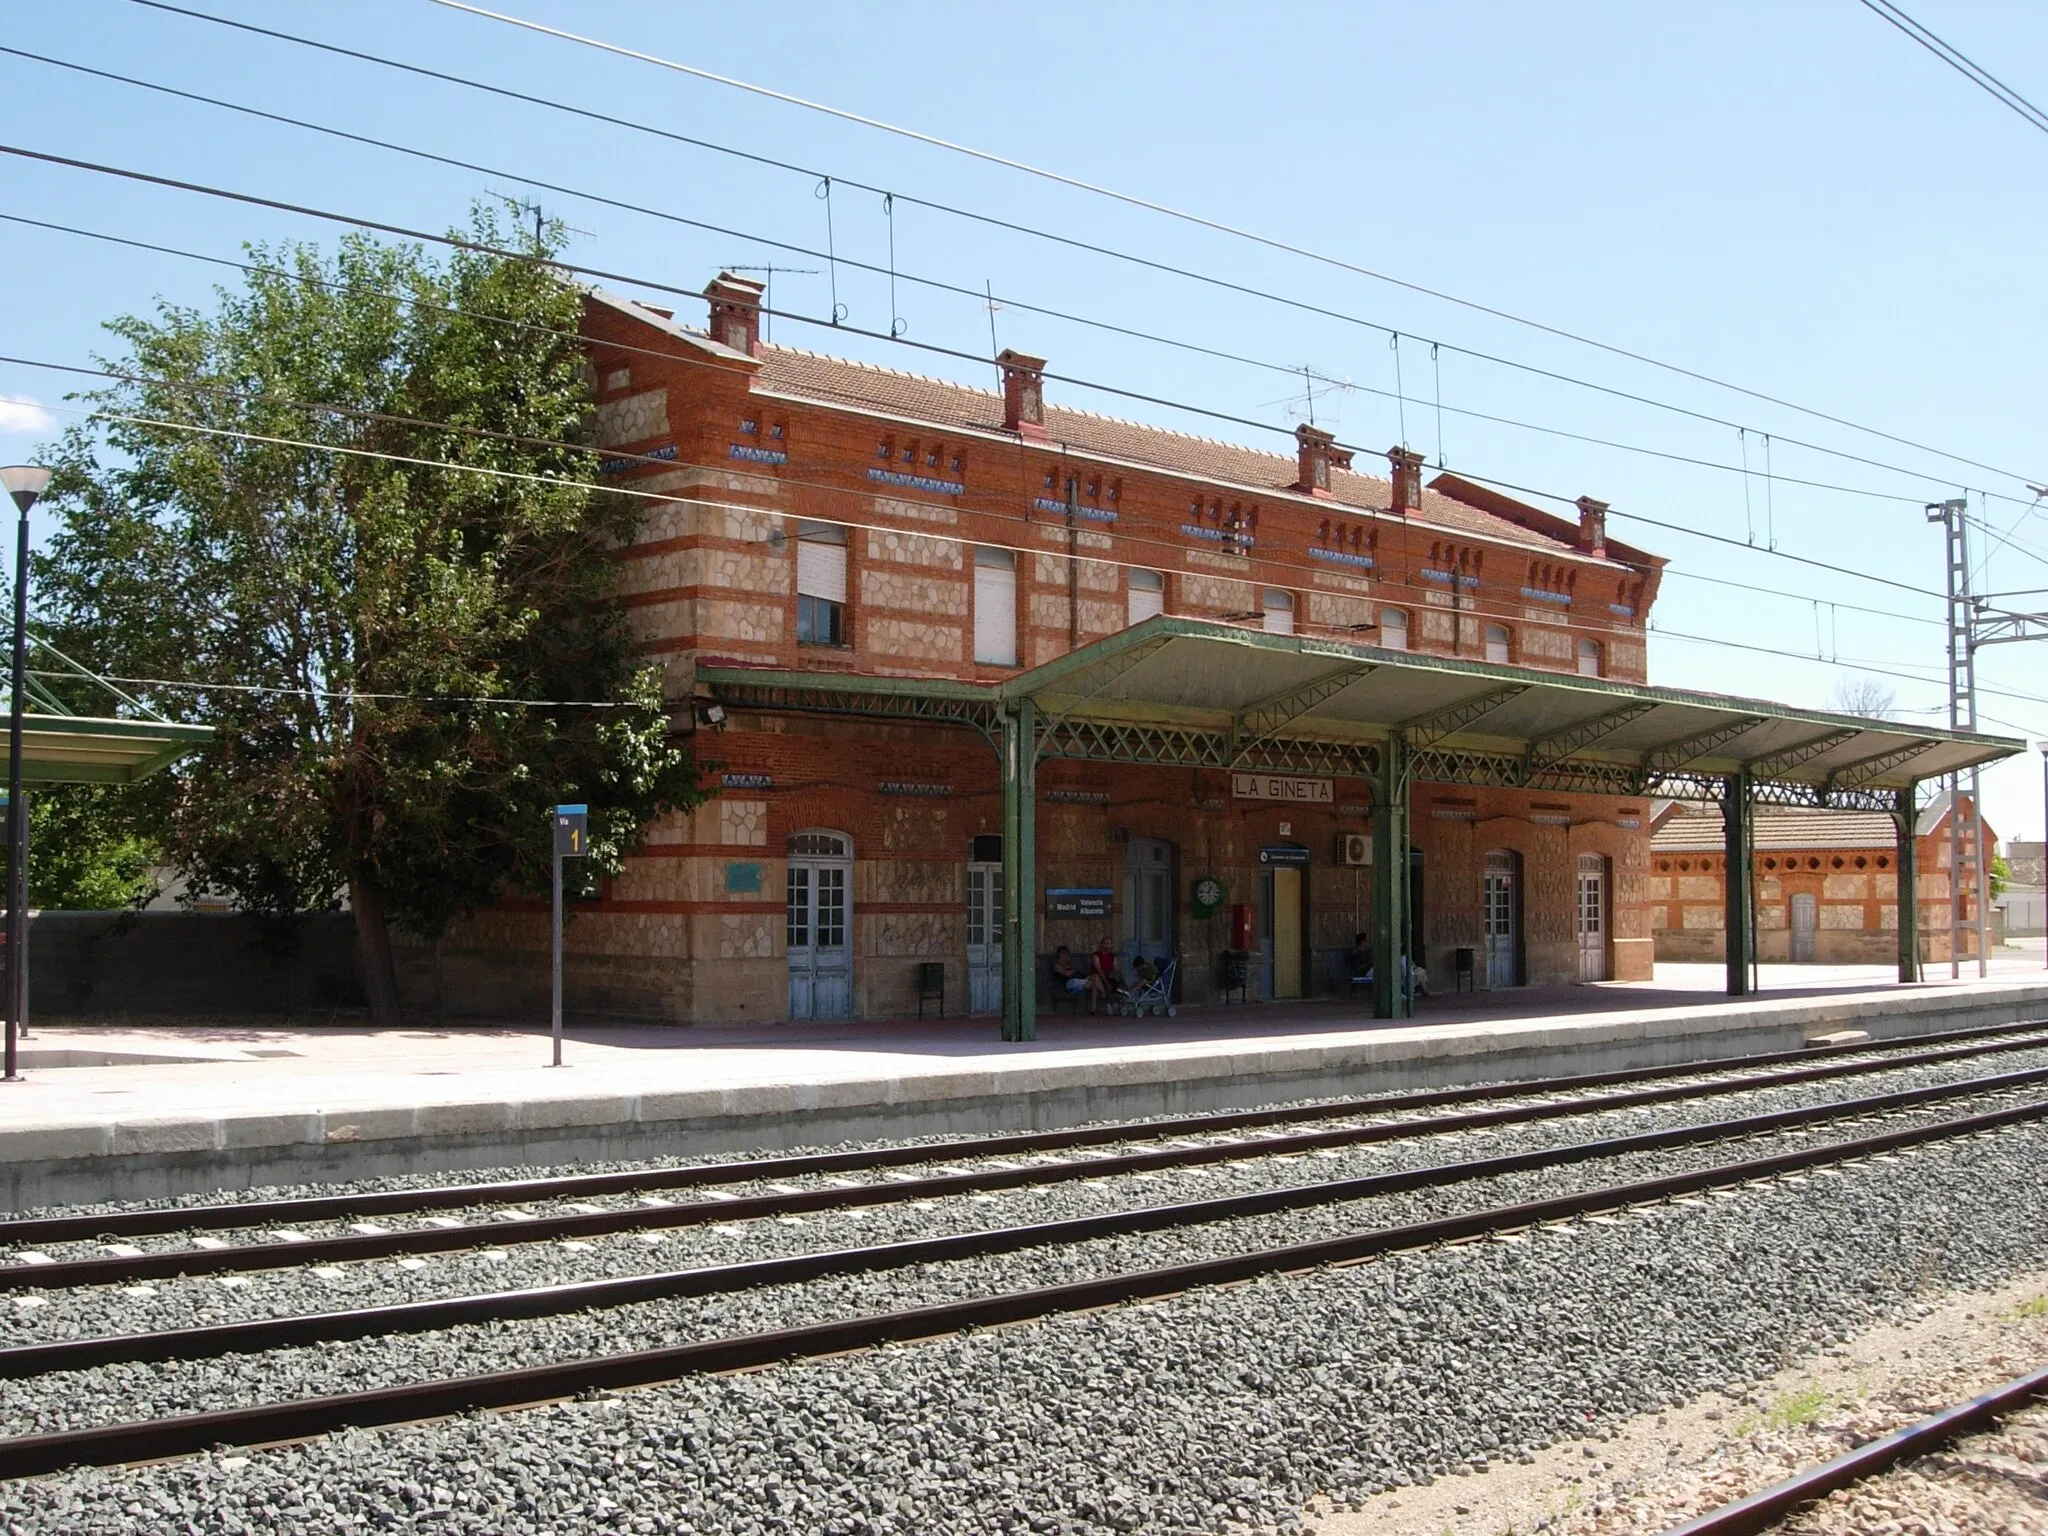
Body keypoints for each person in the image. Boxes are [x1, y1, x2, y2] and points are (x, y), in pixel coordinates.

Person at [1051, 946, 1097, 1013]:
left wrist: (1073, 971)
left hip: (1075, 982)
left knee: (1094, 984)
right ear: (1058, 954)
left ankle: (1093, 1009)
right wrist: (1072, 971)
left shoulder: (1068, 965)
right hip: (1068, 983)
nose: (1065, 955)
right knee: (1092, 981)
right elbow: (1066, 974)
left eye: (1066, 953)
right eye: (1063, 953)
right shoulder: (1057, 965)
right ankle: (1105, 995)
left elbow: (1073, 973)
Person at [1090, 936, 1127, 1002]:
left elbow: (1117, 968)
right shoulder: (1096, 955)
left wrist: (1122, 978)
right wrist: (1106, 982)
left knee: (1117, 984)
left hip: (1107, 977)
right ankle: (1104, 994)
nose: (1107, 946)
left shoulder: (1112, 956)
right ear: (1102, 944)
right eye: (1106, 943)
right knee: (1096, 980)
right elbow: (1099, 970)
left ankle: (1112, 1004)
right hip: (1097, 977)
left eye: (1109, 944)